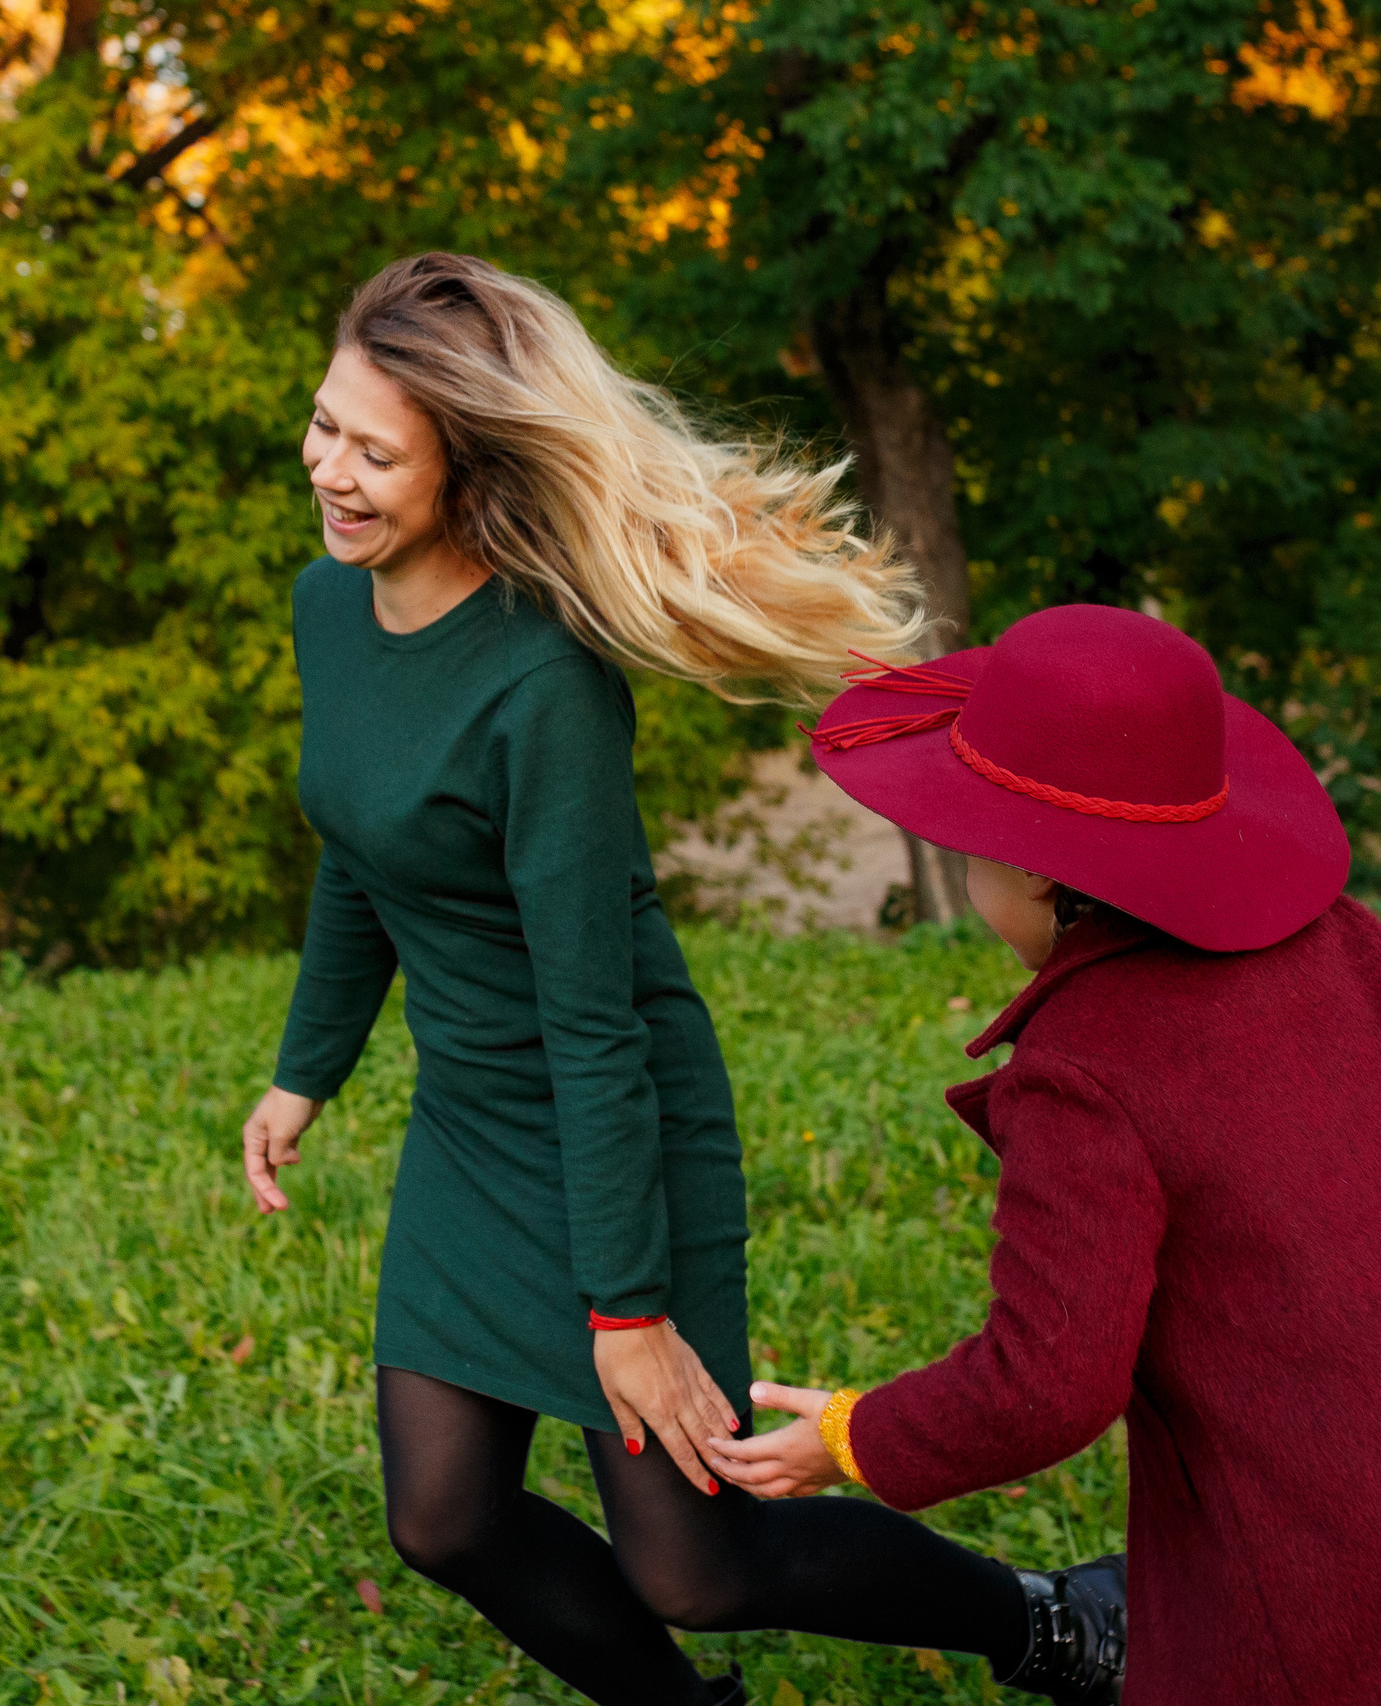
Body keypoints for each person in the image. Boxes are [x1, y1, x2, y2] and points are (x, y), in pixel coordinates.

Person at [238, 254, 1127, 1706]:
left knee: (696, 1564)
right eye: (325, 423)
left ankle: (1056, 1624)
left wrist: (627, 1311)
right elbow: (362, 841)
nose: (328, 469)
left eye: (373, 451)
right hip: (470, 1131)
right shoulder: (327, 610)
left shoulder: (545, 686)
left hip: (616, 1130)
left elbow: (597, 1030)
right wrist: (305, 1067)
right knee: (443, 1515)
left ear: (470, 465)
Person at [707, 603, 1381, 1706]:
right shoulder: (1338, 939)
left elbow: (1047, 1383)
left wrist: (857, 1435)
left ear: (1039, 879)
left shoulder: (1081, 1068)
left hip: (1363, 1575)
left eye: (969, 857)